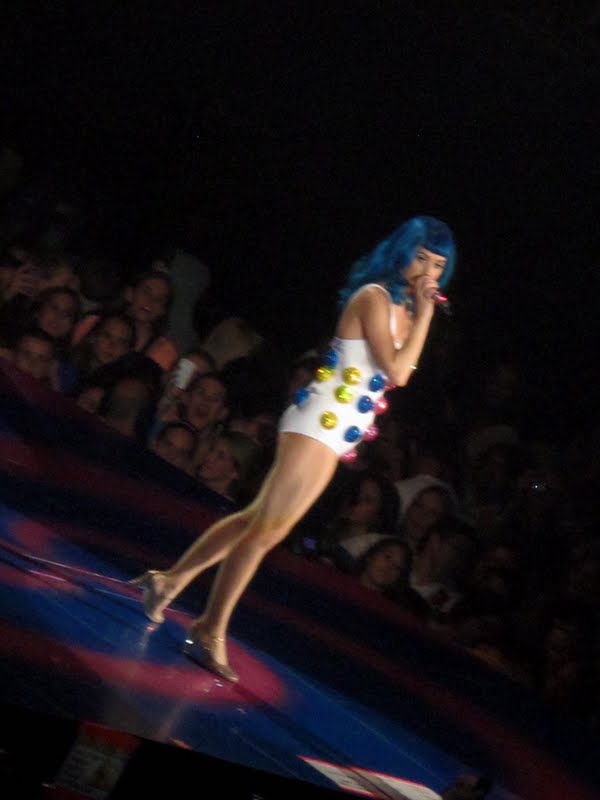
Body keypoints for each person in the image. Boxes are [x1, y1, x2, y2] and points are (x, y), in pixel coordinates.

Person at [130, 215, 456, 682]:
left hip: (337, 432)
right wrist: (424, 315)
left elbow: (401, 371)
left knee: (257, 520)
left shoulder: (404, 309)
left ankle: (168, 583)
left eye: (438, 265)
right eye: (421, 258)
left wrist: (419, 314)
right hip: (317, 422)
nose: (428, 272)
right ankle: (209, 628)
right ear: (402, 252)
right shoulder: (374, 297)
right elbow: (398, 372)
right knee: (266, 531)